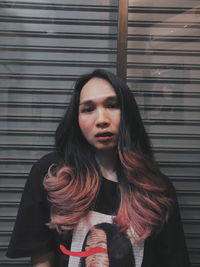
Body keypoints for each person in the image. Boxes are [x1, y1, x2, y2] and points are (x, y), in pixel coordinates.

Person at [7, 69, 190, 266]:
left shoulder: (156, 188)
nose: (102, 120)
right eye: (88, 109)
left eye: (112, 106)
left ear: (127, 113)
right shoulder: (52, 174)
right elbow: (41, 257)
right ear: (76, 119)